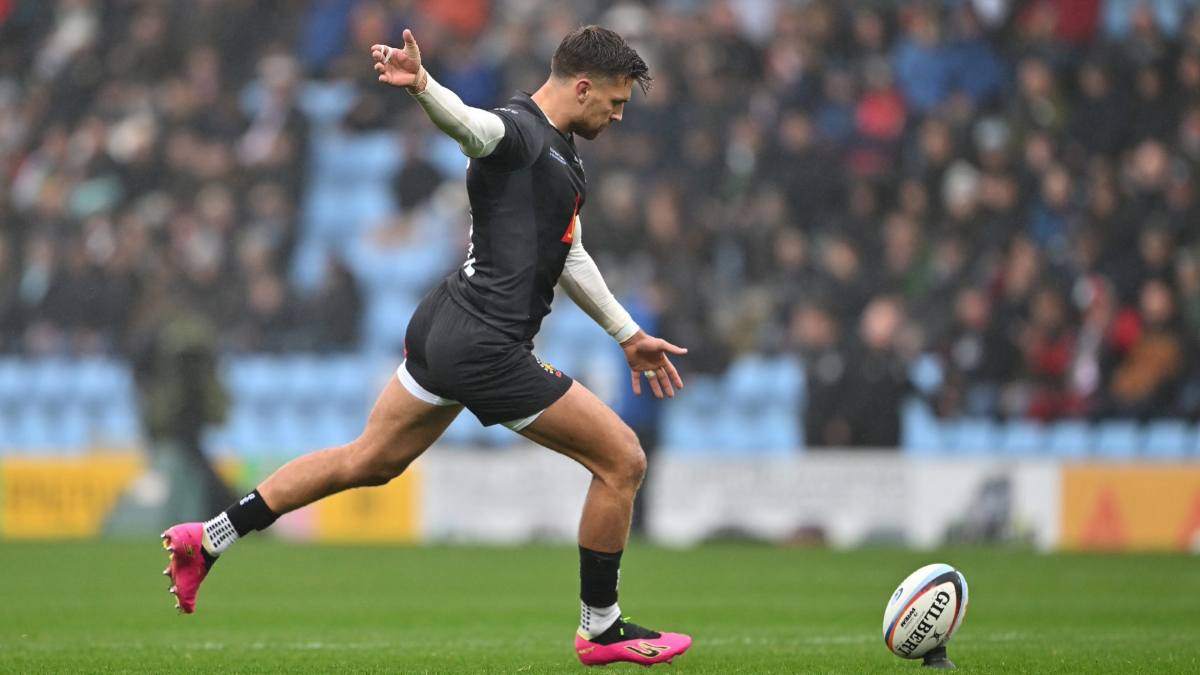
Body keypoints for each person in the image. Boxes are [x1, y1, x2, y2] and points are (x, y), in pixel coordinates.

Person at [160, 26, 692, 667]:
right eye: (615, 101)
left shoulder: (560, 153)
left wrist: (628, 334)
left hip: (446, 322)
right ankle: (601, 629)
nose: (620, 114)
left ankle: (208, 537)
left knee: (367, 460)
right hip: (487, 344)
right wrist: (423, 86)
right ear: (582, 87)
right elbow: (469, 127)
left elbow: (569, 251)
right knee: (622, 460)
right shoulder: (517, 132)